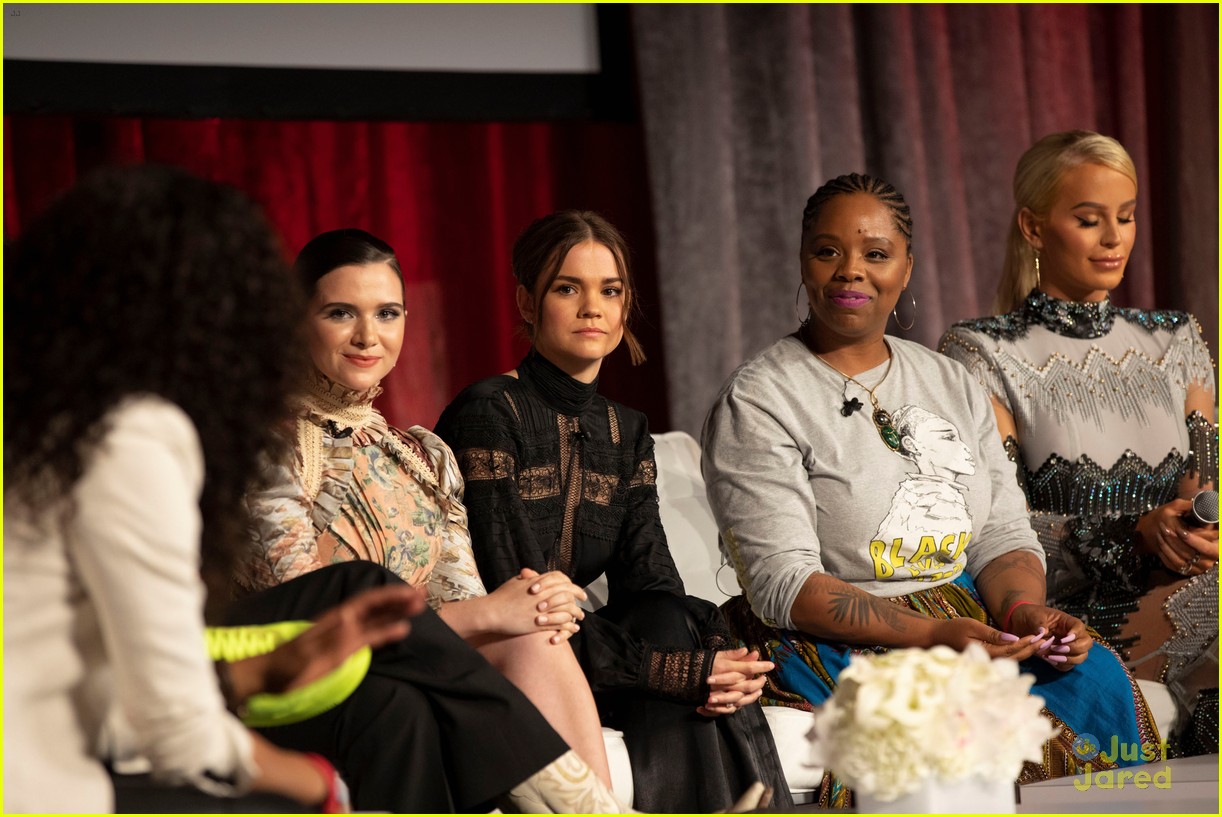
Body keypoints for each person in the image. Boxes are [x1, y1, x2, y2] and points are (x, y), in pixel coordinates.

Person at [700, 173, 1159, 808]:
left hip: (968, 614)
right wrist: (933, 638)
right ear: (802, 263)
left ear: (906, 268)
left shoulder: (950, 381)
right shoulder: (760, 398)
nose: (849, 273)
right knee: (940, 724)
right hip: (835, 629)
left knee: (1096, 680)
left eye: (876, 254)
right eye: (827, 251)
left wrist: (1024, 613)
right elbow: (785, 585)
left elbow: (1000, 531)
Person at [3, 165, 426, 813]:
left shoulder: (38, 432)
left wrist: (260, 672)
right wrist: (323, 786)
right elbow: (175, 735)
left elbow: (81, 695)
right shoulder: (129, 434)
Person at [236, 227, 640, 808]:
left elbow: (463, 600)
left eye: (388, 312)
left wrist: (524, 606)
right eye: (340, 312)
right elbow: (308, 622)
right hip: (303, 675)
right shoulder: (266, 448)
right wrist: (493, 611)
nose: (367, 336)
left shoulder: (425, 457)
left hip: (418, 662)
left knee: (535, 633)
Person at [434, 210, 792, 812]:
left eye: (610, 290)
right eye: (567, 288)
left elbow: (650, 580)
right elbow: (520, 593)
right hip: (518, 650)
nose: (592, 308)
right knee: (653, 650)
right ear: (527, 302)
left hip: (594, 656)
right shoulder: (490, 411)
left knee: (671, 616)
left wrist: (703, 663)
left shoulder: (625, 432)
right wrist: (673, 672)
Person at [939, 130, 1218, 754]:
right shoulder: (981, 351)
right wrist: (1132, 533)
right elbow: (993, 526)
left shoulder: (1177, 339)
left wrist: (1202, 528)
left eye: (1126, 217)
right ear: (1034, 228)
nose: (1115, 238)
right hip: (1081, 612)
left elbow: (1210, 486)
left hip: (1196, 582)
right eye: (1090, 220)